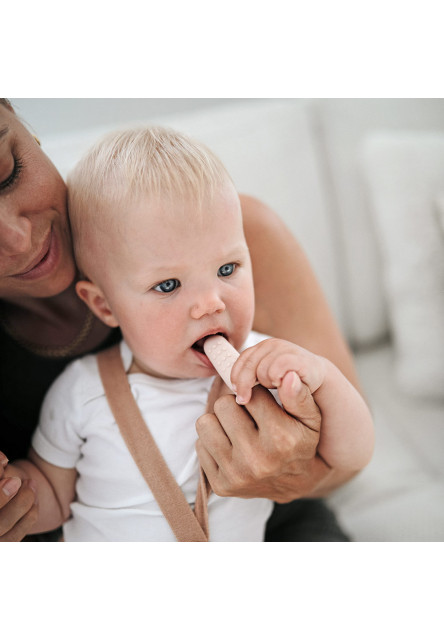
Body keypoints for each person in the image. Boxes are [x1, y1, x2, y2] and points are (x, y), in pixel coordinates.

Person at [0, 98, 361, 542]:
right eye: (168, 286)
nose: (211, 303)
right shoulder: (80, 391)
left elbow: (348, 455)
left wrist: (323, 381)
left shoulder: (264, 363)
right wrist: (13, 495)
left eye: (228, 270)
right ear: (104, 305)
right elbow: (52, 496)